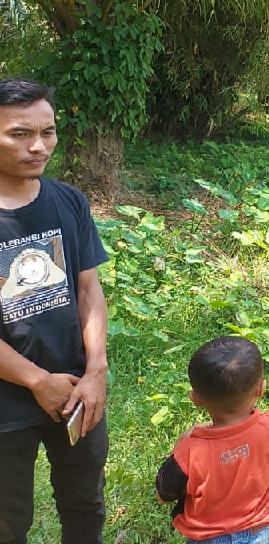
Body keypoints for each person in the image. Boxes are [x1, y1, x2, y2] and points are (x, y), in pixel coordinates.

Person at [0, 78, 109, 544]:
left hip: (76, 390)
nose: (38, 146)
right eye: (20, 134)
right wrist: (36, 381)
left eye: (48, 132)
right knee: (8, 523)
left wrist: (96, 372)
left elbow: (88, 290)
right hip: (7, 406)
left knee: (85, 507)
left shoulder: (68, 202)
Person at [155, 336, 269, 543]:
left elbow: (163, 495)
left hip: (207, 539)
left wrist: (180, 443)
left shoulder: (189, 451)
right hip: (261, 534)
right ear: (261, 389)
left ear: (195, 398)